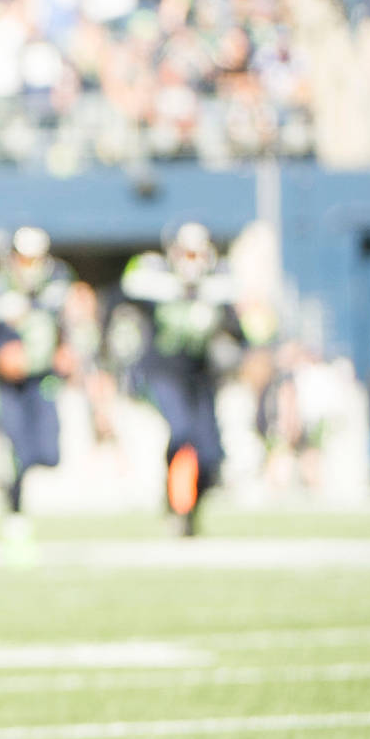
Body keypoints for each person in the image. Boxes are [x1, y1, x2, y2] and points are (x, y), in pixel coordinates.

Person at [117, 222, 243, 536]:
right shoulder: (154, 274)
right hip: (162, 370)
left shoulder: (218, 282)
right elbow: (125, 291)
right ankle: (173, 501)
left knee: (211, 455)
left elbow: (239, 330)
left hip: (200, 375)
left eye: (199, 253)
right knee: (182, 432)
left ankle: (190, 512)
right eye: (187, 253)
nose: (193, 261)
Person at [0, 226, 74, 552]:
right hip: (8, 383)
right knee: (16, 450)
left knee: (47, 452)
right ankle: (15, 511)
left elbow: (70, 324)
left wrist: (68, 349)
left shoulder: (58, 282)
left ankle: (14, 490)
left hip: (43, 377)